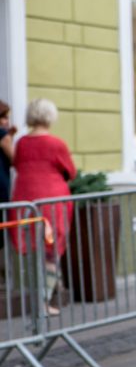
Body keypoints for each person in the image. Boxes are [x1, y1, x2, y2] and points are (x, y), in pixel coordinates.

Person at [10, 98, 77, 317]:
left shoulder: (21, 143)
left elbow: (18, 164)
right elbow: (70, 171)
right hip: (52, 201)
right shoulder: (56, 144)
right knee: (51, 253)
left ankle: (43, 295)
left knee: (32, 252)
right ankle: (43, 301)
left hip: (25, 200)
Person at [0, 100, 16, 204]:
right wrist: (9, 137)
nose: (7, 121)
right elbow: (15, 159)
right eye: (4, 117)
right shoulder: (2, 134)